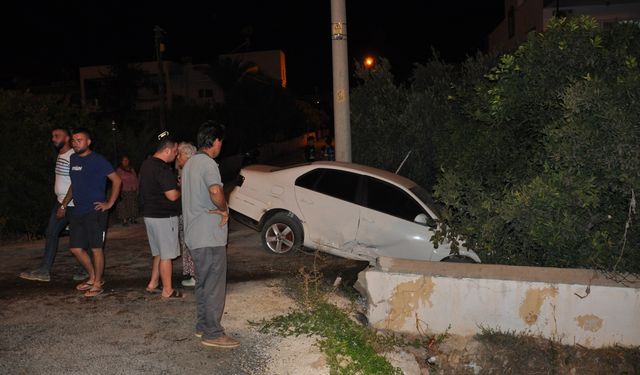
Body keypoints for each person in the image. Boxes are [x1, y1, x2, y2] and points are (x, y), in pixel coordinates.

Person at [182, 121, 240, 348]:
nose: (221, 146)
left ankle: (202, 326)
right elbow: (215, 191)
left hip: (195, 236)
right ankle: (213, 333)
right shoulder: (207, 163)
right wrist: (224, 209)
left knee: (203, 283)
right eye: (220, 142)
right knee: (214, 284)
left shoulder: (189, 164)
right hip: (208, 236)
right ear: (215, 141)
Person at [60, 128, 122, 297]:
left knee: (96, 249)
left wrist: (109, 203)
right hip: (77, 210)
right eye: (73, 140)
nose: (75, 142)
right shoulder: (73, 158)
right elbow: (74, 184)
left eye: (79, 139)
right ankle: (93, 277)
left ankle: (97, 284)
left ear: (88, 142)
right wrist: (64, 204)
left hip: (95, 211)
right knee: (75, 248)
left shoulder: (98, 160)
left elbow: (117, 180)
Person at [19, 127, 86, 282]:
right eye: (52, 136)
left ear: (67, 138)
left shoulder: (73, 157)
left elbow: (76, 183)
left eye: (57, 136)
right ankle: (44, 271)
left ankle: (85, 269)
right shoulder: (61, 155)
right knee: (51, 233)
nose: (53, 138)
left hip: (73, 204)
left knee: (79, 238)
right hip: (61, 202)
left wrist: (63, 205)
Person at [139, 132, 183, 299]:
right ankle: (168, 290)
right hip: (164, 217)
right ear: (167, 150)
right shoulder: (163, 168)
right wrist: (182, 188)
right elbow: (172, 195)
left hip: (150, 215)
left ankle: (153, 283)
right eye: (175, 150)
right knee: (167, 255)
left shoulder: (146, 164)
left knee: (158, 252)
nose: (176, 154)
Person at [176, 142, 197, 287]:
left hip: (191, 214)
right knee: (187, 244)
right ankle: (193, 274)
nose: (177, 157)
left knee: (191, 244)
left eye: (180, 154)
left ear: (188, 155)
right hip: (188, 213)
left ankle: (196, 276)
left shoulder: (190, 171)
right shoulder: (186, 170)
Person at [115, 155, 139, 226]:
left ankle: (132, 218)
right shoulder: (119, 170)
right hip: (123, 190)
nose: (126, 161)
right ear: (121, 161)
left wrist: (137, 188)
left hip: (132, 190)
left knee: (133, 205)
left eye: (127, 160)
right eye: (124, 160)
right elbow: (117, 180)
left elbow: (135, 179)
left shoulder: (131, 169)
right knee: (123, 206)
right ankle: (124, 220)